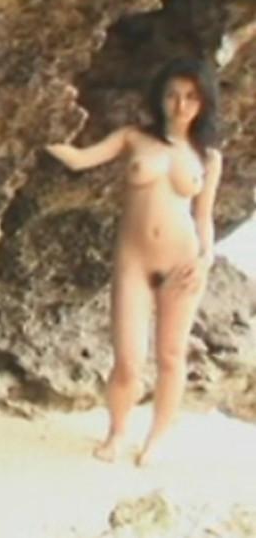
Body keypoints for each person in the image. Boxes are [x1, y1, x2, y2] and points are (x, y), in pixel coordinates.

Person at [45, 57, 223, 466]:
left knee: (171, 357)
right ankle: (117, 432)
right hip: (133, 262)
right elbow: (78, 159)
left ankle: (155, 439)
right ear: (160, 97)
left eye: (191, 97)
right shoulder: (133, 137)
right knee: (128, 361)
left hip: (183, 264)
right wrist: (32, 131)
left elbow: (204, 217)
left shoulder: (208, 157)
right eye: (173, 95)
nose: (180, 105)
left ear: (203, 103)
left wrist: (206, 260)